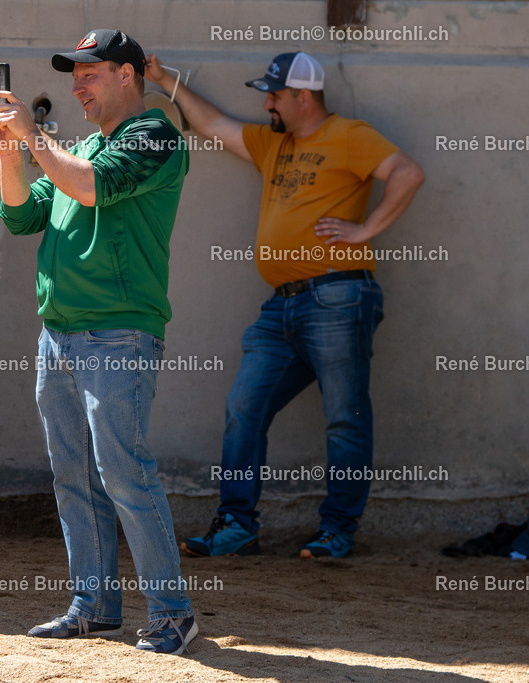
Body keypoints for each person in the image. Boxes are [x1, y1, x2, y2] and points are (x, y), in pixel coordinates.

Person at [145, 52, 424, 558]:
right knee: (244, 408)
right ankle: (237, 525)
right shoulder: (273, 143)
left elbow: (407, 172)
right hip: (280, 308)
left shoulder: (348, 134)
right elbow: (214, 125)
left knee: (345, 418)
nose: (266, 104)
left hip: (338, 294)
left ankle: (337, 531)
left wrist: (365, 230)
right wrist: (166, 82)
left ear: (303, 96)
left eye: (274, 95)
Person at [0, 29, 195, 654]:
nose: (78, 85)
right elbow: (22, 215)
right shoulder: (76, 147)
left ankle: (172, 612)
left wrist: (33, 136)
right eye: (74, 75)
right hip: (61, 335)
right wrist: (7, 150)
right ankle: (94, 606)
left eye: (91, 73)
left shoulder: (154, 134)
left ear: (127, 76)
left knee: (124, 473)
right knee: (74, 475)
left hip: (119, 335)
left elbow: (92, 186)